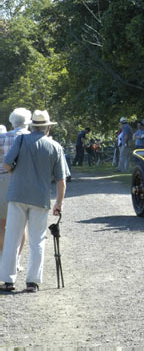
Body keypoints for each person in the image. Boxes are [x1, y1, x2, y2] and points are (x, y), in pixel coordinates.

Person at [0, 110, 69, 293]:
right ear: (47, 127)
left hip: (17, 194)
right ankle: (32, 282)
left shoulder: (21, 141)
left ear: (32, 126)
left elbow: (6, 164)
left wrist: (16, 172)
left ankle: (8, 280)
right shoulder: (55, 147)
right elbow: (61, 181)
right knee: (37, 240)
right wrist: (59, 204)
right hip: (40, 197)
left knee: (12, 237)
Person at [0, 108, 31, 263]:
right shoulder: (31, 138)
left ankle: (5, 258)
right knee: (21, 224)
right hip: (24, 181)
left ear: (12, 122)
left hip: (3, 180)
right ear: (28, 122)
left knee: (2, 223)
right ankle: (16, 259)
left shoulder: (3, 137)